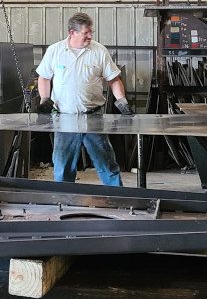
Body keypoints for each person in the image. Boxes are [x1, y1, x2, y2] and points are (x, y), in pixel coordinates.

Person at [35, 12, 134, 186]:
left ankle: (117, 196)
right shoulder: (55, 51)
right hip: (64, 119)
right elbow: (44, 77)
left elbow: (113, 79)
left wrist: (122, 101)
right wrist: (45, 99)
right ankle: (64, 198)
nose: (90, 36)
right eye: (85, 33)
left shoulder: (99, 51)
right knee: (63, 166)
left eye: (91, 32)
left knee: (106, 163)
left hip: (93, 117)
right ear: (72, 32)